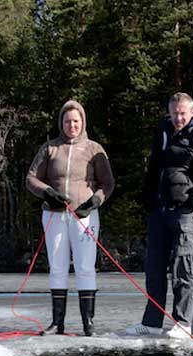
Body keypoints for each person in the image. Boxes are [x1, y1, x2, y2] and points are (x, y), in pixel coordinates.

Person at [125, 92, 193, 339]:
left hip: (185, 211)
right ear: (169, 112)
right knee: (154, 267)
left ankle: (182, 322)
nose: (178, 117)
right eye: (175, 112)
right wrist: (147, 198)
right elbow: (155, 168)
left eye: (183, 113)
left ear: (192, 112)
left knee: (183, 265)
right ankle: (152, 322)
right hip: (159, 210)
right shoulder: (163, 132)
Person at [26, 99, 115, 336]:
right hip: (54, 215)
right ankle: (58, 323)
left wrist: (95, 201)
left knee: (85, 266)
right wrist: (47, 192)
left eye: (75, 121)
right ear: (61, 123)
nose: (71, 125)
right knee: (58, 267)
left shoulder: (94, 149)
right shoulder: (50, 148)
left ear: (82, 122)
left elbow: (108, 184)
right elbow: (31, 178)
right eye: (67, 121)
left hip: (84, 215)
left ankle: (88, 323)